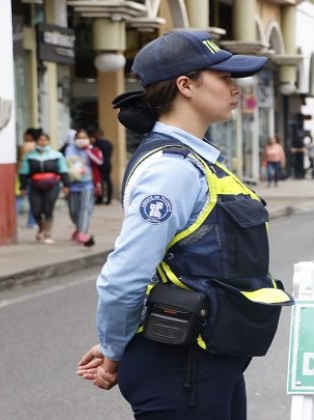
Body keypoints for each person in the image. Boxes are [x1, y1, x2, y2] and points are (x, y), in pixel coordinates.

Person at [76, 30, 293, 419]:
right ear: (185, 85)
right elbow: (123, 278)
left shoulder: (199, 160)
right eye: (223, 77)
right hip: (181, 368)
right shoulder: (170, 170)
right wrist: (114, 350)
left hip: (206, 363)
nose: (234, 87)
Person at [18, 132, 70, 244]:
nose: (42, 142)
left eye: (45, 140)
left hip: (52, 185)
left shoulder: (56, 155)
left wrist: (66, 185)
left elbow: (63, 170)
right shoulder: (29, 156)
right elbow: (23, 172)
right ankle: (41, 227)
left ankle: (48, 233)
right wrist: (22, 187)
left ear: (48, 141)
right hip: (35, 185)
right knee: (35, 210)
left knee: (48, 208)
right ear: (37, 142)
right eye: (40, 140)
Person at [64, 128, 103, 246]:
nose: (81, 140)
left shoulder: (93, 149)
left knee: (85, 209)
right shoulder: (69, 149)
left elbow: (99, 162)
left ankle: (82, 232)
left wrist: (87, 150)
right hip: (72, 184)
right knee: (73, 210)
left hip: (88, 184)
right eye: (79, 138)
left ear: (89, 139)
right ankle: (79, 228)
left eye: (84, 138)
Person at [17, 128, 41, 228]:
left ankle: (14, 220)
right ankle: (32, 222)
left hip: (25, 173)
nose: (24, 137)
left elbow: (21, 160)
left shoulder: (25, 146)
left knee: (19, 198)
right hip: (36, 174)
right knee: (34, 199)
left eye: (25, 135)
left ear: (29, 136)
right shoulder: (38, 146)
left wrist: (17, 172)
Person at [91, 128, 114, 205]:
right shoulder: (109, 143)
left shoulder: (97, 143)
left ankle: (100, 199)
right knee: (108, 181)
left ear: (97, 134)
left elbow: (95, 152)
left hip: (100, 164)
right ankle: (109, 199)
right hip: (108, 163)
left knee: (100, 181)